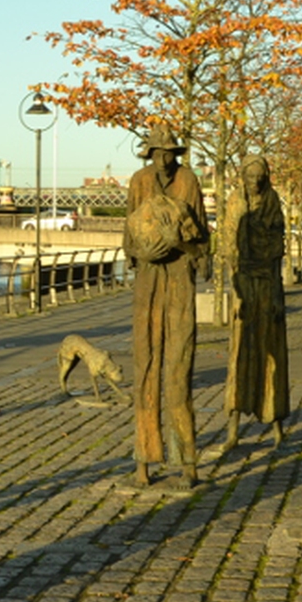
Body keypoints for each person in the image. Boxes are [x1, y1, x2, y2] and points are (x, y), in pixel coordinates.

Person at [123, 124, 209, 486]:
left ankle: (187, 461)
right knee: (145, 368)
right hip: (147, 285)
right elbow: (128, 241)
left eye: (170, 153)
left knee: (178, 369)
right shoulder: (138, 181)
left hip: (178, 286)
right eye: (158, 154)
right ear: (149, 155)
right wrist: (142, 251)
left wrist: (180, 244)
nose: (164, 160)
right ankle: (144, 460)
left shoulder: (189, 182)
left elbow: (203, 248)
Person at [217, 155, 289, 453]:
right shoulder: (235, 203)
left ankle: (276, 425)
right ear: (243, 179)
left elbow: (276, 254)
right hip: (244, 284)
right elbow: (228, 246)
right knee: (240, 354)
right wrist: (237, 292)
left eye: (260, 178)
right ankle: (233, 428)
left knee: (272, 356)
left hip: (269, 285)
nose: (255, 183)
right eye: (250, 178)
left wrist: (275, 295)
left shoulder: (273, 203)